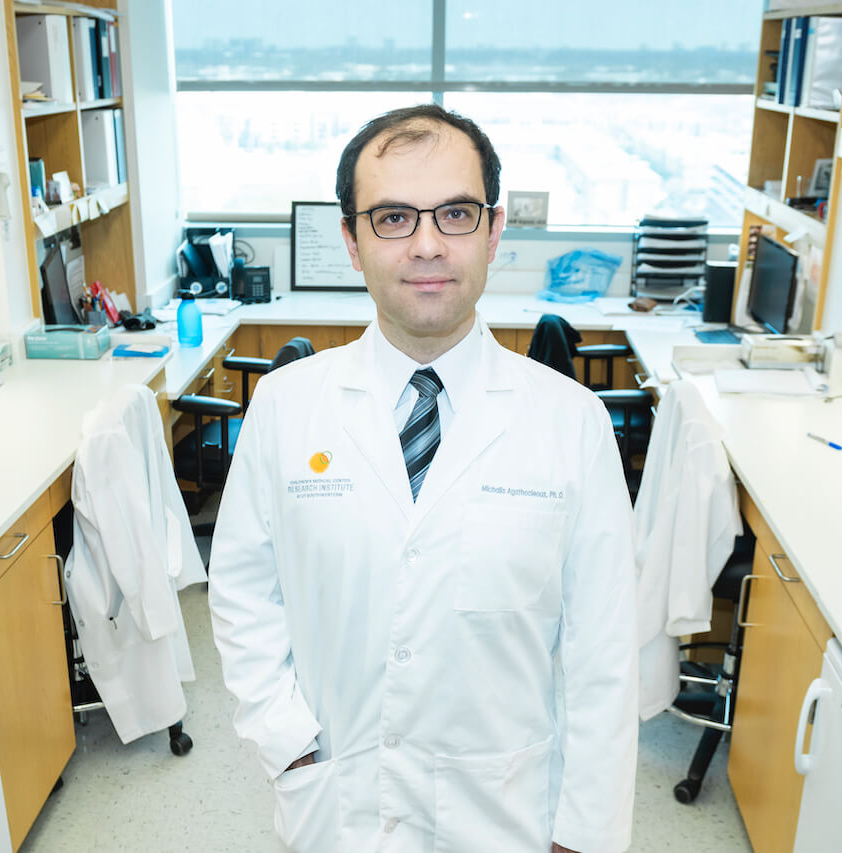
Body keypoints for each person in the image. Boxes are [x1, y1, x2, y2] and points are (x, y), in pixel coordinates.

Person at [208, 104, 638, 853]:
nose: (429, 245)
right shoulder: (286, 405)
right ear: (351, 239)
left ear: (495, 230)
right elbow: (243, 592)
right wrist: (290, 741)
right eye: (394, 217)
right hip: (337, 805)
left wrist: (585, 832)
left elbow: (604, 653)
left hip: (508, 817)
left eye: (456, 214)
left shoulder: (571, 424)